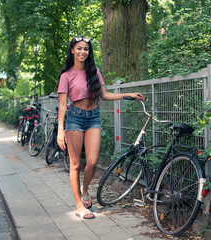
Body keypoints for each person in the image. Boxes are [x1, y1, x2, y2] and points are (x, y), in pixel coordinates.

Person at [56, 36, 144, 219]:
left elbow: (103, 95)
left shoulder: (93, 71)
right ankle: (80, 205)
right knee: (75, 164)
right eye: (79, 48)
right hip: (75, 118)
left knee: (93, 162)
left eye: (86, 49)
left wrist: (127, 94)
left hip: (93, 117)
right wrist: (60, 130)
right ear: (72, 50)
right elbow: (63, 105)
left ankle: (85, 189)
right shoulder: (66, 75)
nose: (82, 52)